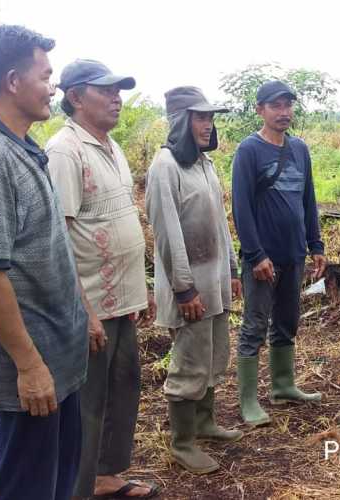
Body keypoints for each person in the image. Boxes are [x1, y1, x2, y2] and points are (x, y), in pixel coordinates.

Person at [0, 25, 87, 500]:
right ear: (12, 81)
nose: (53, 87)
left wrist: (81, 314)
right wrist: (29, 366)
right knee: (26, 486)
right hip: (31, 363)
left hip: (56, 352)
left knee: (55, 478)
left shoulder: (22, 148)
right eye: (46, 75)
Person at [45, 59, 159, 499]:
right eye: (105, 90)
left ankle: (107, 476)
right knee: (89, 402)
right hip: (90, 304)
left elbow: (119, 223)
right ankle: (78, 485)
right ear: (75, 97)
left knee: (123, 386)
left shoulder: (111, 146)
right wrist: (84, 310)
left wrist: (140, 289)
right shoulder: (64, 151)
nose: (117, 98)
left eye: (119, 90)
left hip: (121, 299)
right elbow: (60, 239)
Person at [145, 86, 244, 475]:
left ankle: (205, 422)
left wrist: (232, 270)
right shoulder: (165, 166)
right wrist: (184, 288)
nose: (208, 124)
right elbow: (167, 234)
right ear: (180, 121)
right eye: (200, 117)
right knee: (189, 362)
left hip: (213, 280)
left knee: (214, 354)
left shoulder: (204, 164)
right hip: (188, 288)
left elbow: (220, 225)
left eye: (210, 117)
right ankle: (182, 442)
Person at [231, 80, 326, 427]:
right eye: (276, 106)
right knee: (255, 325)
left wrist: (315, 244)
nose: (284, 112)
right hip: (263, 258)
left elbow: (308, 200)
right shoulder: (249, 150)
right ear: (260, 110)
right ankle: (248, 401)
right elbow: (241, 208)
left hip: (293, 253)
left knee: (287, 321)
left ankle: (284, 386)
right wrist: (256, 256)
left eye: (288, 105)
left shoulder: (299, 149)